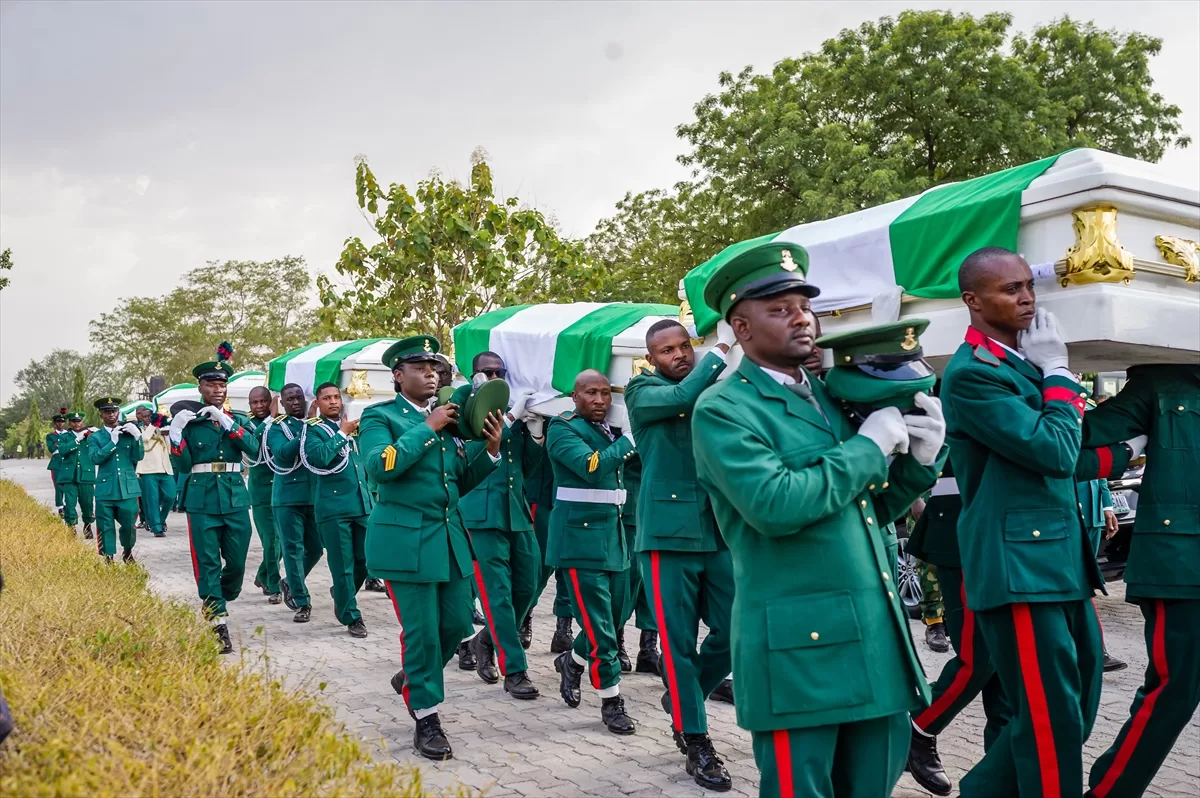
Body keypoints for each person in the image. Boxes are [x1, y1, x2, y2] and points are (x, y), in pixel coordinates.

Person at [692, 240, 944, 797]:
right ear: (741, 327)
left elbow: (869, 509)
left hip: (873, 640)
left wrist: (920, 467)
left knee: (872, 786)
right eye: (779, 310)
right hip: (798, 651)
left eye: (804, 306)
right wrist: (869, 449)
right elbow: (775, 505)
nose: (801, 318)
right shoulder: (724, 408)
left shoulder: (830, 397)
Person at [940, 246, 1109, 797]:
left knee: (1076, 707)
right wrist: (1060, 372)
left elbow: (1070, 451)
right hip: (1017, 568)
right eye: (1009, 289)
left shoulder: (1021, 363)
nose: (1027, 298)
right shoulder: (971, 374)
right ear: (973, 300)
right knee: (1049, 720)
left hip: (1056, 560)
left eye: (1027, 286)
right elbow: (1055, 451)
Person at [359, 335, 502, 760]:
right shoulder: (379, 416)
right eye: (420, 368)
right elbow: (380, 467)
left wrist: (489, 451)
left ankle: (412, 677)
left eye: (435, 368)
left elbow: (460, 480)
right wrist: (428, 427)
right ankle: (427, 717)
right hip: (404, 541)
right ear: (398, 376)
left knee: (457, 624)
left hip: (449, 540)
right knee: (421, 633)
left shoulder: (452, 422)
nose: (431, 374)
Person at [624, 317, 734, 790]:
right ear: (651, 360)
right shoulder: (641, 392)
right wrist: (723, 347)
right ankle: (696, 739)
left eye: (685, 346)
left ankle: (684, 694)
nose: (680, 355)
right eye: (666, 351)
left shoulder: (711, 387)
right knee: (678, 644)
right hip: (666, 536)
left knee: (738, 629)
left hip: (717, 530)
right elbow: (681, 397)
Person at [1081, 364, 1198, 798]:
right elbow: (1083, 434)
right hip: (1181, 561)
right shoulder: (1162, 381)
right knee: (1175, 690)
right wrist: (1049, 386)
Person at [546, 369, 638, 735]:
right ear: (575, 396)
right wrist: (632, 436)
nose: (600, 400)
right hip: (579, 541)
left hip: (614, 535)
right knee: (601, 628)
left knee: (615, 619)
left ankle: (574, 660)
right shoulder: (561, 428)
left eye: (605, 393)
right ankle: (611, 700)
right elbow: (591, 467)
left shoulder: (611, 430)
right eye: (591, 394)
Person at [460, 352, 544, 699]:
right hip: (481, 513)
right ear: (473, 373)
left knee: (529, 585)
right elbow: (472, 448)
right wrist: (511, 418)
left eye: (500, 371)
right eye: (487, 371)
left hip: (516, 510)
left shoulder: (514, 409)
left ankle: (486, 639)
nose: (494, 376)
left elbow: (526, 465)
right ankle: (516, 669)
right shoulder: (463, 403)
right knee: (498, 596)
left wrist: (536, 434)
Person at [168, 344, 260, 654]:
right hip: (202, 500)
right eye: (211, 384)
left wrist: (226, 421)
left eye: (222, 384)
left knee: (235, 563)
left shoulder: (240, 419)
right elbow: (181, 466)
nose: (218, 389)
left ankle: (220, 595)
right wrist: (177, 436)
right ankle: (217, 621)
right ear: (200, 387)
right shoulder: (190, 422)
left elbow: (254, 448)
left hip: (235, 498)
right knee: (206, 563)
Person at [302, 382, 372, 638]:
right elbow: (318, 458)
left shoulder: (353, 426)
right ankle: (350, 615)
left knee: (366, 561)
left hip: (361, 504)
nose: (333, 401)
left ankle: (342, 593)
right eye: (326, 398)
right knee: (342, 564)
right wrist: (341, 434)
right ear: (317, 403)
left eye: (336, 397)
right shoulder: (313, 430)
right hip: (334, 508)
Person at [267, 382, 324, 623]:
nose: (295, 402)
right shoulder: (277, 428)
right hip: (288, 498)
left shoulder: (318, 426)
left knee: (316, 549)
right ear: (282, 403)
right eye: (289, 399)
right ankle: (302, 601)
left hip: (315, 495)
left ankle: (290, 581)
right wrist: (308, 427)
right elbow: (284, 452)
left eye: (299, 397)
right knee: (293, 550)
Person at [525, 434, 576, 653]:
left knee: (570, 562)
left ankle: (564, 627)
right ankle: (524, 615)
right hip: (542, 488)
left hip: (575, 486)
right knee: (538, 564)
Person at [88, 397, 144, 563]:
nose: (111, 415)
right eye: (107, 412)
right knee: (105, 526)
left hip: (128, 487)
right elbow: (94, 458)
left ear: (118, 413)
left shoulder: (128, 433)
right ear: (101, 415)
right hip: (105, 489)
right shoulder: (95, 437)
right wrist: (112, 442)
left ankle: (127, 551)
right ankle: (108, 557)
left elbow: (138, 456)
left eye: (113, 411)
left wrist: (137, 438)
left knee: (129, 524)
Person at [243, 386, 283, 604]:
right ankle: (274, 585)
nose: (259, 406)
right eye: (254, 403)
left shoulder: (282, 422)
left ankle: (262, 575)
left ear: (271, 401)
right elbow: (251, 446)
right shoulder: (247, 424)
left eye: (263, 402)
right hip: (260, 493)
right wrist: (270, 420)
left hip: (282, 490)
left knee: (283, 541)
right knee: (272, 540)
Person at [134, 406, 174, 539]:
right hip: (148, 469)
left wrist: (165, 424)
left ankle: (160, 520)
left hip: (165, 468)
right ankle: (156, 527)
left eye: (150, 416)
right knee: (152, 500)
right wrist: (153, 425)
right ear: (140, 417)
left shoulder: (161, 428)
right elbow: (143, 439)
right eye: (145, 417)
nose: (147, 419)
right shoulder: (137, 429)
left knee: (170, 497)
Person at [57, 411, 97, 539]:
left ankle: (87, 526)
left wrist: (98, 432)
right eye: (73, 421)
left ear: (82, 422)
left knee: (87, 503)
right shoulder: (65, 436)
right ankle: (71, 527)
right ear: (69, 423)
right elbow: (62, 451)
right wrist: (77, 440)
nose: (76, 423)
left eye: (78, 421)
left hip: (86, 475)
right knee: (70, 503)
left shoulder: (90, 436)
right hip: (69, 476)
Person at [46, 408, 68, 517]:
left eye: (62, 422)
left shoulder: (69, 434)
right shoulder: (51, 436)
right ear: (55, 423)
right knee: (58, 485)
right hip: (57, 462)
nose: (60, 424)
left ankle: (68, 505)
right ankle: (60, 506)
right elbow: (51, 449)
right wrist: (61, 440)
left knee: (69, 485)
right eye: (58, 422)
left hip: (68, 461)